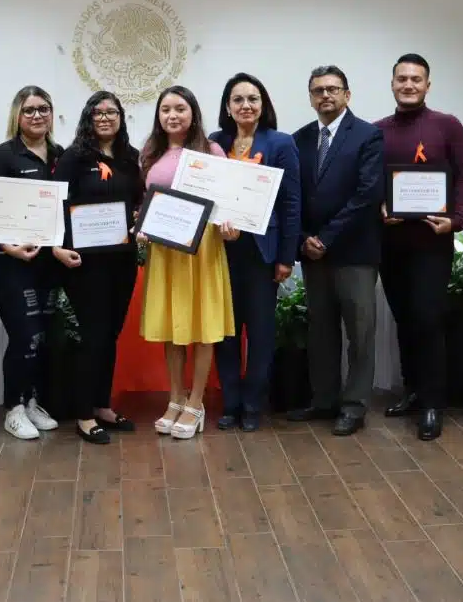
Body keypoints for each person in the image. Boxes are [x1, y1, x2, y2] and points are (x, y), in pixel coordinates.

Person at [375, 54, 463, 441]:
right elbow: (369, 182)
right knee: (405, 319)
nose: (409, 85)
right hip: (391, 243)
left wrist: (458, 219)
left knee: (429, 318)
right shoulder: (377, 130)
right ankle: (413, 390)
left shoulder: (447, 126)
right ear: (393, 84)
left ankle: (434, 403)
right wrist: (379, 207)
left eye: (417, 79)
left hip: (433, 242)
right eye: (402, 79)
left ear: (428, 85)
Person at [289, 66, 384, 436]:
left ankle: (355, 405)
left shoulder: (368, 135)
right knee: (321, 330)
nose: (325, 95)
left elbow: (367, 194)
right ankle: (325, 400)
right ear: (310, 97)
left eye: (332, 89)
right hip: (313, 252)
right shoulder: (298, 139)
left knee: (360, 332)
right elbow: (292, 197)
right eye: (318, 90)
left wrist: (326, 237)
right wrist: (304, 238)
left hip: (354, 252)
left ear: (347, 94)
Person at [140, 86, 238, 440]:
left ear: (193, 113)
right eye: (165, 109)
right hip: (165, 254)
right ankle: (175, 398)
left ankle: (196, 403)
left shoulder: (211, 151)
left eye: (180, 108)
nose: (172, 115)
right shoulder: (150, 153)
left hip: (204, 251)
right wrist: (142, 227)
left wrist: (231, 229)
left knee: (202, 326)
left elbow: (228, 206)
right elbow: (146, 205)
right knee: (173, 327)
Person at [208, 73, 300, 432]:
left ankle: (252, 405)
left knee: (260, 334)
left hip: (263, 254)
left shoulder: (280, 143)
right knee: (226, 332)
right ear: (228, 108)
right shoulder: (215, 143)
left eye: (253, 99)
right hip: (221, 252)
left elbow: (291, 203)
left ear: (263, 105)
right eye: (238, 100)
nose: (246, 106)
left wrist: (285, 257)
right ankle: (230, 403)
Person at [52, 91, 144, 444]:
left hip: (121, 259)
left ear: (121, 117)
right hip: (84, 262)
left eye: (112, 112)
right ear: (88, 118)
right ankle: (84, 414)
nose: (105, 117)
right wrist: (58, 247)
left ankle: (102, 404)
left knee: (110, 334)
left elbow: (136, 201)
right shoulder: (73, 157)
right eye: (98, 112)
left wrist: (139, 217)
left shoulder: (129, 157)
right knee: (93, 335)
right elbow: (55, 203)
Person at [0, 86, 64, 440]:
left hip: (46, 262)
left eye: (43, 108)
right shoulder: (0, 157)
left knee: (40, 337)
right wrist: (7, 246)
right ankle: (13, 408)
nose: (37, 116)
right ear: (17, 115)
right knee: (24, 335)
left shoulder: (60, 155)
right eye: (29, 110)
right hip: (7, 264)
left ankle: (30, 402)